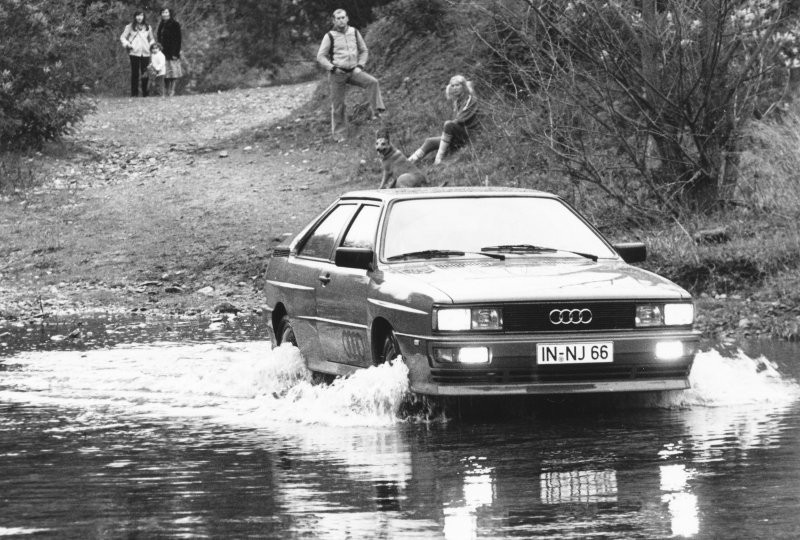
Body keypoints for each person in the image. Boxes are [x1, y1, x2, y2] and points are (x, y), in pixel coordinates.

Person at [316, 8, 385, 140]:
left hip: (353, 71)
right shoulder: (329, 36)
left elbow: (364, 50)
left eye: (343, 17)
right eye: (338, 18)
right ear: (334, 21)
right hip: (337, 74)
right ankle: (339, 135)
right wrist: (332, 68)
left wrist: (360, 65)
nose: (341, 20)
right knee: (338, 105)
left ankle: (377, 113)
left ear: (347, 18)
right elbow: (320, 56)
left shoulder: (354, 32)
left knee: (372, 82)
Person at [409, 75, 479, 164]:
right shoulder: (457, 101)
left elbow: (461, 120)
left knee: (448, 124)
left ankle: (438, 159)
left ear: (463, 86)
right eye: (452, 86)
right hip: (459, 135)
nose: (454, 88)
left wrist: (447, 130)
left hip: (470, 136)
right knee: (430, 141)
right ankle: (408, 163)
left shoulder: (470, 99)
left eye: (457, 85)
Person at [120, 11, 155, 97]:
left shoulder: (148, 27)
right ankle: (134, 93)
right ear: (135, 17)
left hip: (145, 52)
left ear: (144, 17)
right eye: (137, 15)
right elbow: (122, 37)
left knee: (145, 73)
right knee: (135, 73)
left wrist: (150, 45)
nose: (139, 17)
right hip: (134, 52)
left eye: (141, 15)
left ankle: (145, 93)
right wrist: (128, 44)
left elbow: (152, 39)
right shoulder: (130, 26)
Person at [157, 7, 183, 97]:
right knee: (165, 73)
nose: (164, 14)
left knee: (173, 73)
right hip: (162, 52)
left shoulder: (175, 24)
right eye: (163, 12)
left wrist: (175, 53)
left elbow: (178, 40)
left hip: (172, 52)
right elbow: (159, 39)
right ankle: (166, 90)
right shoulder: (161, 24)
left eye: (166, 12)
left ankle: (172, 90)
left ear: (170, 13)